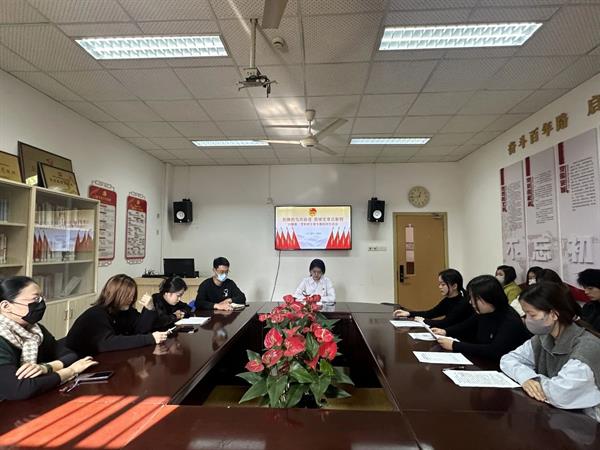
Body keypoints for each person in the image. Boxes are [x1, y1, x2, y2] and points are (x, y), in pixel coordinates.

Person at [500, 282, 600, 422]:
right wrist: (527, 378)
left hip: (589, 424)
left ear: (553, 314)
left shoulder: (587, 347)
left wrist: (535, 380)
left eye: (532, 315)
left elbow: (560, 394)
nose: (526, 320)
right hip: (559, 417)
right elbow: (508, 360)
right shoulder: (543, 337)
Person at [0, 276, 97, 400]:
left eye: (41, 298)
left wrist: (45, 368)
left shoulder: (34, 330)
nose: (41, 303)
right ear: (6, 306)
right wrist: (70, 371)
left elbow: (69, 354)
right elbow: (19, 389)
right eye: (35, 299)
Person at [433, 275, 531, 361]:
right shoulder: (484, 312)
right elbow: (465, 326)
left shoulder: (510, 320)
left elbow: (494, 350)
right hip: (484, 361)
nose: (470, 302)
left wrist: (454, 345)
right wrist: (445, 331)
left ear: (489, 298)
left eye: (474, 298)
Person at [66, 274, 168, 356]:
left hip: (103, 357)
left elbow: (140, 330)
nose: (131, 299)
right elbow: (109, 342)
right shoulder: (96, 314)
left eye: (133, 295)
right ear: (115, 294)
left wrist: (150, 308)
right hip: (78, 360)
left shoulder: (125, 311)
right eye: (128, 295)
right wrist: (150, 339)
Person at [393, 269, 473, 328]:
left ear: (454, 286)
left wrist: (423, 320)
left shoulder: (462, 303)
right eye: (439, 284)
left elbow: (446, 323)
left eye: (443, 284)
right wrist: (409, 313)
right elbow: (430, 313)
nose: (440, 287)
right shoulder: (448, 300)